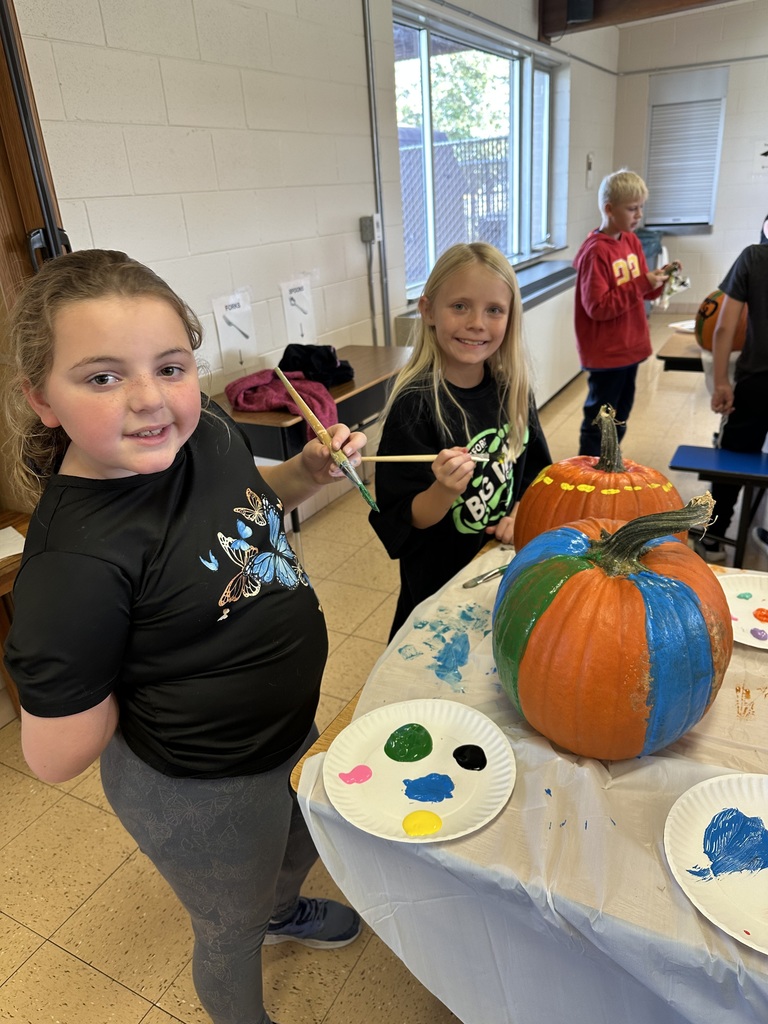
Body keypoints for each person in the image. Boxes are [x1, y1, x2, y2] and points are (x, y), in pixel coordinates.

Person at [2, 249, 365, 1024]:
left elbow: (247, 504)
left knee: (297, 847)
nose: (148, 400)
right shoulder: (75, 564)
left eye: (170, 367)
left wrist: (303, 473)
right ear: (42, 398)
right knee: (226, 926)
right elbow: (53, 754)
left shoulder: (207, 434)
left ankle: (279, 909)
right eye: (102, 377)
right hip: (201, 784)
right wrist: (85, 668)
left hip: (286, 731)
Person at [369, 241, 551, 640]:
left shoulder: (513, 390)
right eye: (460, 306)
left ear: (510, 318)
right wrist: (443, 490)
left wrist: (521, 509)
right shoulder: (415, 404)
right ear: (428, 309)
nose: (477, 324)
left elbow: (538, 473)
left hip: (500, 570)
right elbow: (406, 518)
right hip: (438, 585)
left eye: (494, 310)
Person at [573, 168, 671, 456]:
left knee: (620, 417)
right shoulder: (595, 252)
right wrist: (642, 283)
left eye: (641, 207)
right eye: (632, 208)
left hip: (630, 347)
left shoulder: (630, 241)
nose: (639, 214)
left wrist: (659, 281)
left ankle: (609, 464)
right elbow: (598, 307)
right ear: (609, 209)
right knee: (600, 421)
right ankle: (588, 476)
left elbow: (641, 292)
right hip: (607, 353)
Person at [704, 226, 768, 562]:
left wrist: (721, 383)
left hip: (757, 383)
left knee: (733, 461)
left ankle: (713, 538)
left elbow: (725, 326)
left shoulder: (753, 258)